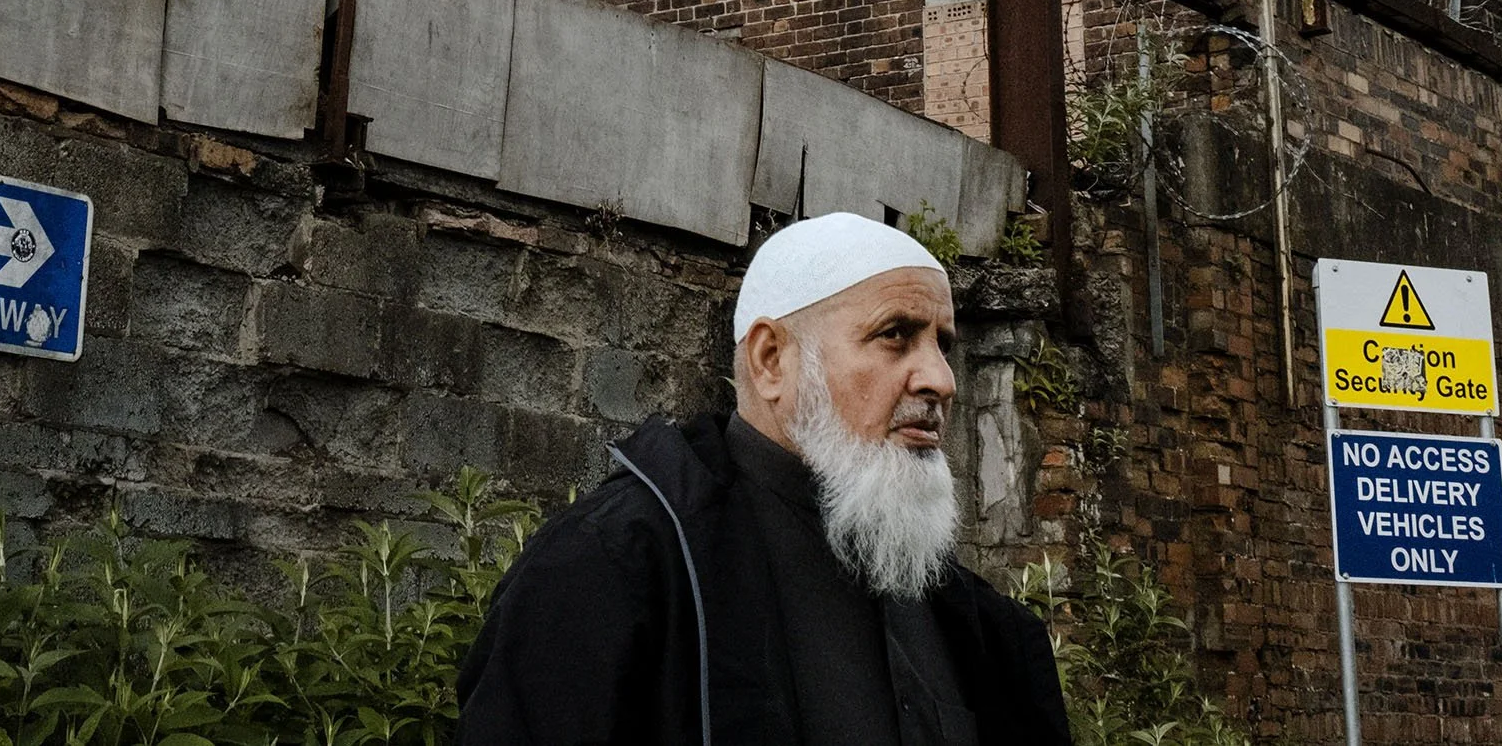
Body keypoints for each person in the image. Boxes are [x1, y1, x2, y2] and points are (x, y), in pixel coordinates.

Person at [458, 211, 1070, 745]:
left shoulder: (978, 625)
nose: (940, 379)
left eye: (942, 343)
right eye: (895, 336)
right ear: (772, 360)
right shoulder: (606, 570)